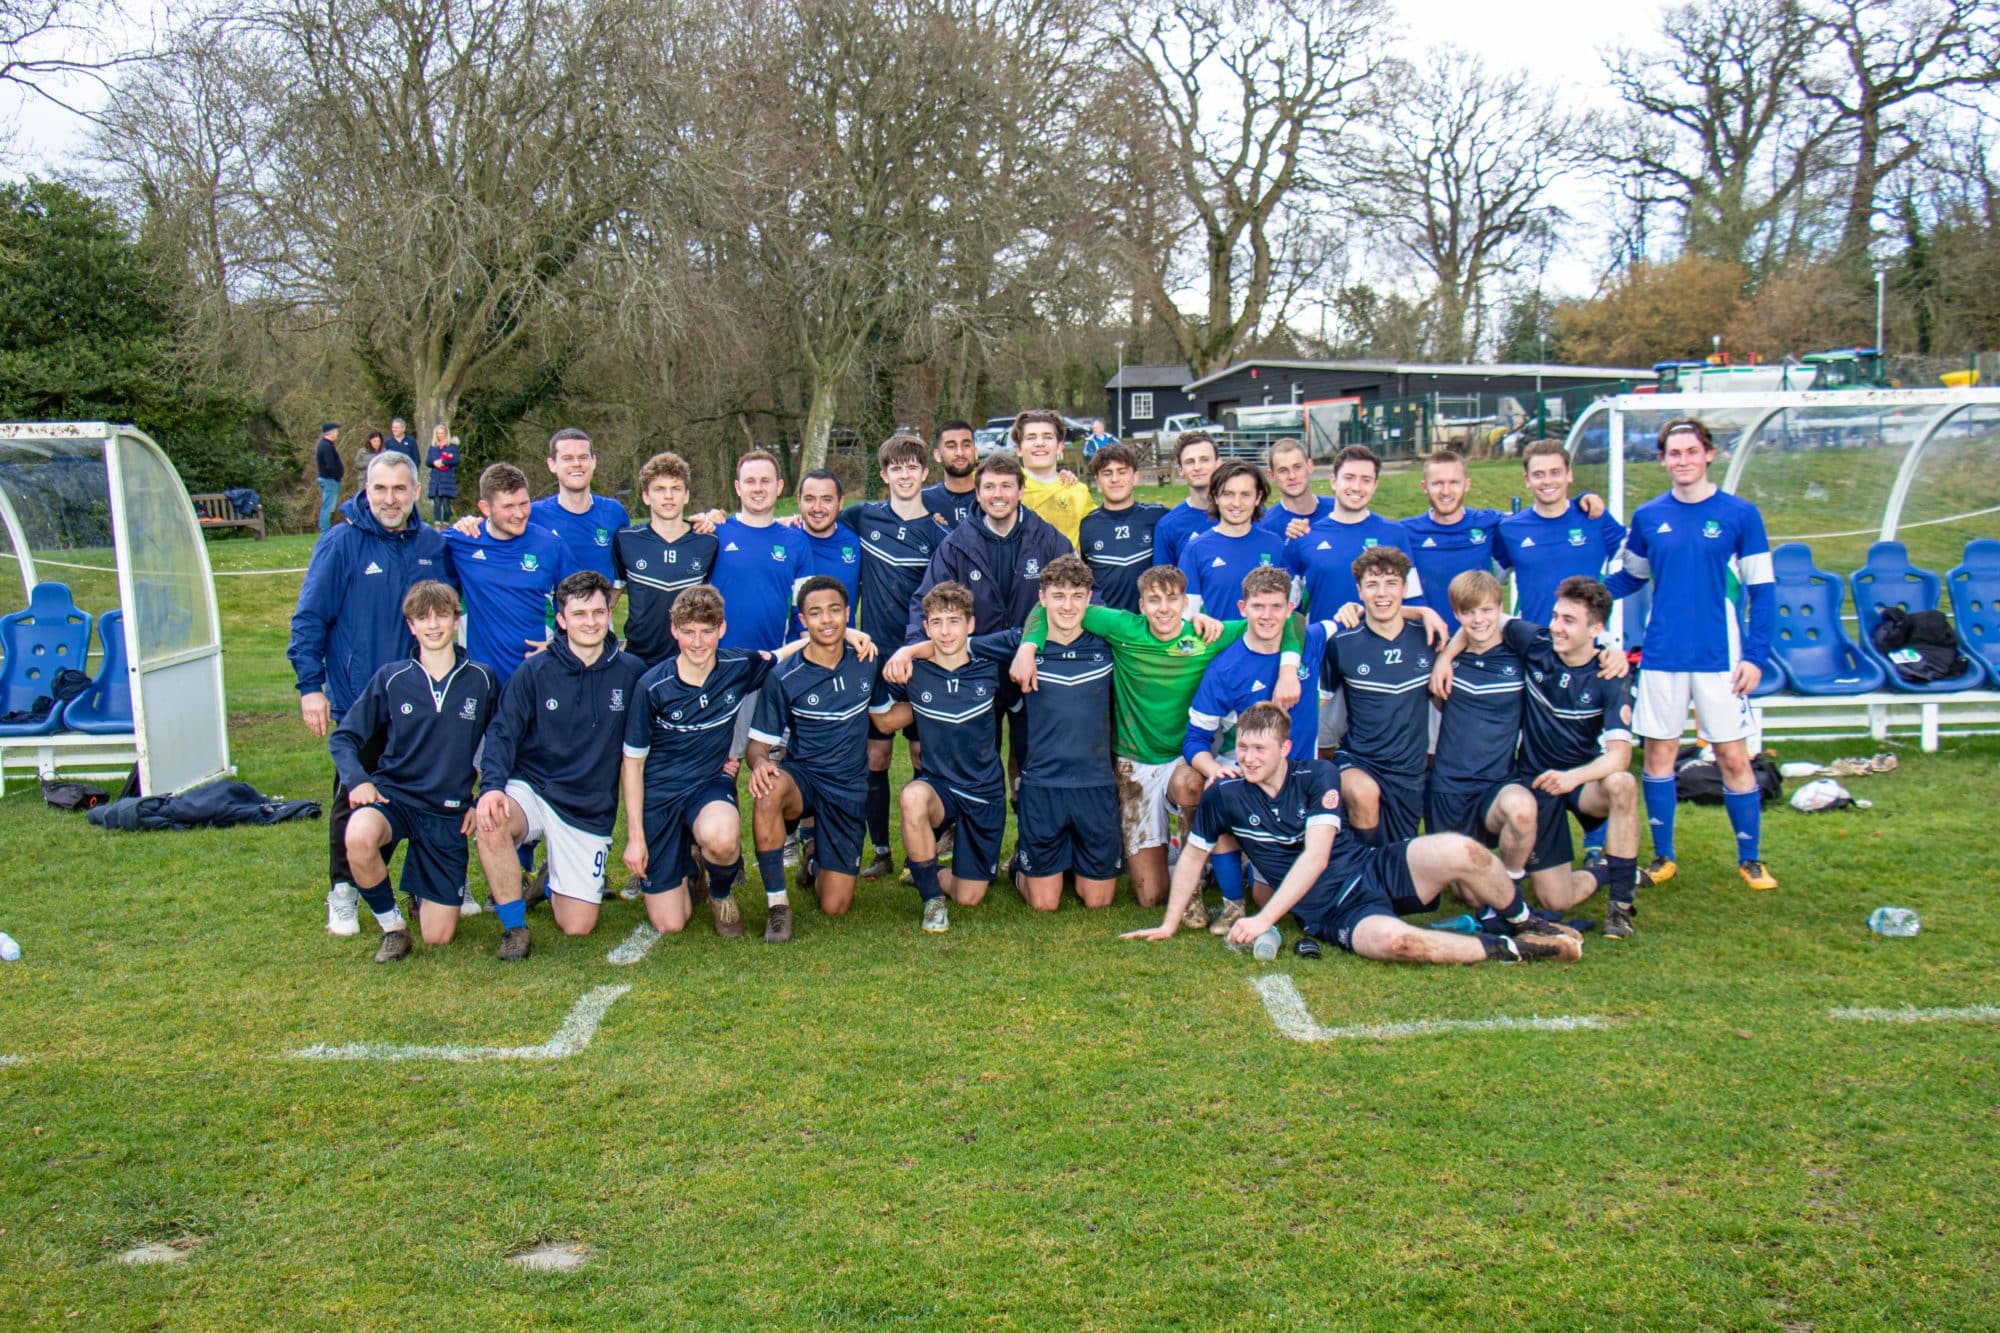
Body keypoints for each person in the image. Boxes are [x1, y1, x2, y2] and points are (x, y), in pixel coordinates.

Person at [1123, 703, 1583, 964]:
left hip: (1372, 869)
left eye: (1259, 748)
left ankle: (1523, 919)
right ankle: (1511, 948)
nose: (1248, 757)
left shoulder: (1318, 775)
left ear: (1285, 748)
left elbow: (1317, 856)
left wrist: (1264, 920)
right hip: (1333, 911)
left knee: (1466, 851)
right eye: (1242, 747)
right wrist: (1168, 923)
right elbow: (1192, 858)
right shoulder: (1224, 795)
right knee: (1402, 943)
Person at [1016, 564, 1301, 908]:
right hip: (1133, 764)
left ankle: (1196, 879)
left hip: (1182, 758)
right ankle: (1173, 861)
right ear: (1141, 605)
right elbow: (1045, 606)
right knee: (1151, 896)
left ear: (1185, 604)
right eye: (1154, 600)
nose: (1163, 608)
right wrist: (1027, 648)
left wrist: (1288, 671)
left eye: (1172, 599)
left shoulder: (1205, 636)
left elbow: (1293, 622)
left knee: (1191, 785)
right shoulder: (1123, 628)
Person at [1605, 416, 1778, 891]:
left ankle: (1750, 858)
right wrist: (1583, 591)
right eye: (1674, 454)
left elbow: (1763, 591)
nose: (1683, 461)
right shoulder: (1648, 517)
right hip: (1662, 655)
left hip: (1721, 657)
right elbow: (1630, 577)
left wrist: (1756, 656)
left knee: (1733, 756)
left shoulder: (1741, 515)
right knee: (1658, 755)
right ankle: (1663, 857)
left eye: (1691, 452)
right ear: (1663, 460)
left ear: (1708, 455)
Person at [288, 450, 451, 937]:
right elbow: (309, 617)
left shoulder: (432, 544)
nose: (390, 499)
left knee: (426, 792)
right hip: (363, 699)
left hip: (423, 702)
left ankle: (424, 885)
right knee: (356, 796)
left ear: (417, 491)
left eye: (400, 488)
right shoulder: (342, 542)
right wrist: (310, 687)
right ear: (366, 490)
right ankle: (343, 890)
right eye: (380, 488)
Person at [1437, 576, 1647, 937]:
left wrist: (1573, 778)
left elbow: (1620, 756)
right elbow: (1480, 620)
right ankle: (1605, 869)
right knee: (1557, 900)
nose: (1556, 626)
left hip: (1580, 782)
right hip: (1536, 782)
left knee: (1622, 783)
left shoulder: (1610, 675)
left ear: (1596, 628)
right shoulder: (1536, 643)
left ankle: (1621, 906)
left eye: (1569, 620)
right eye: (1555, 616)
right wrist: (1446, 657)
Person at [909, 556, 1119, 910]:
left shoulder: (1108, 642)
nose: (1068, 606)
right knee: (1044, 904)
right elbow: (954, 645)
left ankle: (1069, 858)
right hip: (1043, 785)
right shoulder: (1017, 642)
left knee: (1097, 901)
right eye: (1058, 595)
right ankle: (1024, 865)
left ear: (1089, 599)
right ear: (1042, 597)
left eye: (1077, 596)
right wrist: (908, 651)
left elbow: (1159, 631)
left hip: (1095, 783)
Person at [474, 571, 648, 958]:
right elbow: (502, 732)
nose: (591, 622)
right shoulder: (535, 671)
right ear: (562, 620)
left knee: (578, 926)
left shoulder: (632, 673)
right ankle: (514, 927)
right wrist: (491, 789)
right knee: (492, 820)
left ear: (609, 615)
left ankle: (552, 879)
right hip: (534, 788)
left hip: (587, 807)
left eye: (598, 612)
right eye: (580, 614)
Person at [327, 581, 497, 962]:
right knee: (359, 834)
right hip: (396, 798)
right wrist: (358, 780)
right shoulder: (392, 677)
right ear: (411, 626)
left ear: (456, 621)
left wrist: (484, 795)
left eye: (442, 616)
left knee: (438, 937)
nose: (433, 625)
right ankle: (393, 927)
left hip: (448, 812)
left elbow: (500, 746)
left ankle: (422, 889)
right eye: (423, 618)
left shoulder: (482, 679)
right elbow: (343, 738)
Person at [1177, 565, 1332, 933]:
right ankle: (1232, 902)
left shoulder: (1308, 639)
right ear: (1242, 607)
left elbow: (1344, 619)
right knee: (1220, 793)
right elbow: (1195, 739)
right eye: (1258, 606)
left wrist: (1419, 612)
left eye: (1277, 606)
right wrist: (1214, 769)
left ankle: (1254, 866)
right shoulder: (1225, 668)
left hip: (1300, 778)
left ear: (1289, 608)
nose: (1267, 616)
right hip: (1250, 774)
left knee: (1275, 896)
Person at [834, 434, 948, 877]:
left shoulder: (939, 535)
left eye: (912, 467)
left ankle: (927, 850)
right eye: (895, 468)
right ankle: (880, 851)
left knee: (922, 756)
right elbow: (815, 521)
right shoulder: (864, 516)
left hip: (922, 659)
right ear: (883, 474)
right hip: (873, 658)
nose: (904, 475)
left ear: (924, 473)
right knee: (874, 758)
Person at [870, 582, 1009, 932]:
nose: (945, 631)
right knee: (912, 796)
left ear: (970, 625)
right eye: (937, 622)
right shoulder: (916, 673)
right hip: (940, 787)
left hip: (983, 792)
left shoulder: (992, 668)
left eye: (954, 621)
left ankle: (926, 872)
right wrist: (881, 670)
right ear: (926, 627)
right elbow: (884, 721)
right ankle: (932, 900)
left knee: (969, 896)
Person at [746, 576, 881, 937]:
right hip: (804, 778)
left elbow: (885, 717)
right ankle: (778, 906)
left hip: (848, 787)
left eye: (834, 610)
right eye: (816, 613)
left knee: (835, 905)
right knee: (769, 789)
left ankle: (814, 860)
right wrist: (761, 764)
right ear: (803, 620)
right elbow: (757, 746)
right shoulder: (784, 676)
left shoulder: (867, 661)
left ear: (848, 614)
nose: (826, 620)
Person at [1285, 444, 1424, 752]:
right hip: (1325, 659)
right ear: (1333, 481)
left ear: (1375, 485)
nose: (1356, 487)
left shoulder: (1394, 533)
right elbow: (1289, 611)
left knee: (1383, 748)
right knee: (1320, 749)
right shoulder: (1305, 537)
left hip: (1381, 662)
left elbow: (1414, 601)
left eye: (1365, 479)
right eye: (1349, 478)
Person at [1320, 546, 1434, 841]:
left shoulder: (1428, 639)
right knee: (1362, 793)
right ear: (1359, 591)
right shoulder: (1342, 643)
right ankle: (1365, 862)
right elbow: (1319, 704)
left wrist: (1425, 612)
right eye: (1372, 584)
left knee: (1401, 855)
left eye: (1391, 583)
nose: (1382, 593)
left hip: (1408, 771)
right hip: (1359, 761)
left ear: (1405, 588)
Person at [710, 448, 816, 755]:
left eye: (765, 481)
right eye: (750, 481)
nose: (758, 488)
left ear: (779, 486)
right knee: (724, 762)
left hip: (772, 665)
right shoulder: (715, 533)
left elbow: (805, 611)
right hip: (720, 666)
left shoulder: (796, 541)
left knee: (771, 765)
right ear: (737, 487)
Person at [442, 463, 573, 687]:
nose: (519, 514)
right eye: (509, 506)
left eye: (524, 503)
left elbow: (579, 603)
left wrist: (560, 646)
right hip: (480, 679)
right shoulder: (461, 542)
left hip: (536, 675)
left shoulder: (551, 545)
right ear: (485, 508)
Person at [1495, 438, 1627, 625]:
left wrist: (1600, 595)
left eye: (1555, 472)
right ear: (1527, 480)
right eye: (1538, 475)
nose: (1547, 481)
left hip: (1583, 641)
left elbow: (1639, 566)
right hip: (1534, 640)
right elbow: (1486, 584)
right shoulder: (1509, 529)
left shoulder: (1594, 518)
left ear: (1569, 475)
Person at [611, 450, 718, 667]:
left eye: (676, 488)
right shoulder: (625, 539)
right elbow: (610, 599)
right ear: (645, 496)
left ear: (686, 495)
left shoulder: (708, 541)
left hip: (690, 660)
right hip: (638, 660)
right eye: (659, 489)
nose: (668, 496)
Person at [1399, 449, 1506, 634]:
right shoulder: (1405, 532)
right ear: (1425, 486)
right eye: (1438, 483)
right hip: (1425, 639)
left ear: (1467, 485)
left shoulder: (1487, 524)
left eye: (1454, 483)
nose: (1446, 491)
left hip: (1477, 637)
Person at [1176, 459, 1288, 615]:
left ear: (1258, 498)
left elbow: (1288, 607)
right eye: (1228, 494)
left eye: (1245, 495)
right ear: (1215, 496)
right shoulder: (1195, 550)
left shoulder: (1275, 545)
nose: (1236, 503)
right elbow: (1187, 615)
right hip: (1218, 632)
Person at [1077, 442, 1167, 614]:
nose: (1115, 479)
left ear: (1136, 477)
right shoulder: (1086, 526)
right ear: (1097, 481)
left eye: (1122, 471)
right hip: (1106, 624)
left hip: (1152, 622)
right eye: (1107, 473)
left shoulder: (1159, 517)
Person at [530, 427, 630, 582]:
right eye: (567, 458)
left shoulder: (614, 512)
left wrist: (609, 596)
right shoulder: (533, 515)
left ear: (594, 461)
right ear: (552, 464)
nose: (576, 464)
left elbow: (628, 567)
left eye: (583, 457)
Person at [1013, 407, 1093, 548]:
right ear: (1018, 449)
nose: (1040, 443)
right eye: (1031, 437)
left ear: (1060, 447)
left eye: (1047, 437)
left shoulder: (1078, 491)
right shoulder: (1006, 489)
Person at [795, 468, 861, 626]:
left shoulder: (855, 541)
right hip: (795, 641)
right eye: (809, 499)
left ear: (840, 503)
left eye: (827, 499)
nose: (817, 508)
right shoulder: (786, 541)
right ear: (799, 501)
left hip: (844, 640)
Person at [1152, 431, 1221, 568]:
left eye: (1205, 460)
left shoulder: (1246, 513)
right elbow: (1163, 578)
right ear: (1181, 470)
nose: (1197, 467)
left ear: (1218, 464)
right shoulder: (1169, 525)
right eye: (1190, 462)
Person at [1257, 437, 1334, 535]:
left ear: (1310, 466)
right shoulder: (1266, 527)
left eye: (1297, 467)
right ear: (1272, 475)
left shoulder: (1337, 510)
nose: (1292, 476)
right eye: (1283, 470)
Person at [923, 419, 979, 529]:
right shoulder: (923, 501)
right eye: (951, 446)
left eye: (966, 445)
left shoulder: (992, 497)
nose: (960, 453)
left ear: (976, 452)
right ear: (937, 455)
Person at [423, 425, 457, 524]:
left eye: (442, 433)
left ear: (446, 434)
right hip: (436, 479)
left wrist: (443, 462)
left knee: (446, 504)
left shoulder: (452, 447)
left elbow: (456, 460)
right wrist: (434, 463)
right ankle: (437, 524)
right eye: (438, 433)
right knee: (437, 503)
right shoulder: (433, 447)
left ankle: (446, 523)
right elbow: (428, 461)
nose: (440, 435)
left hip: (447, 479)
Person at [314, 422, 343, 534]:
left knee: (329, 507)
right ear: (330, 433)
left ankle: (325, 530)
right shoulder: (326, 446)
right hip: (329, 480)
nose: (337, 433)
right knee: (327, 507)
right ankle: (325, 531)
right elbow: (330, 465)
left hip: (330, 480)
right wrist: (337, 475)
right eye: (336, 431)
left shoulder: (327, 445)